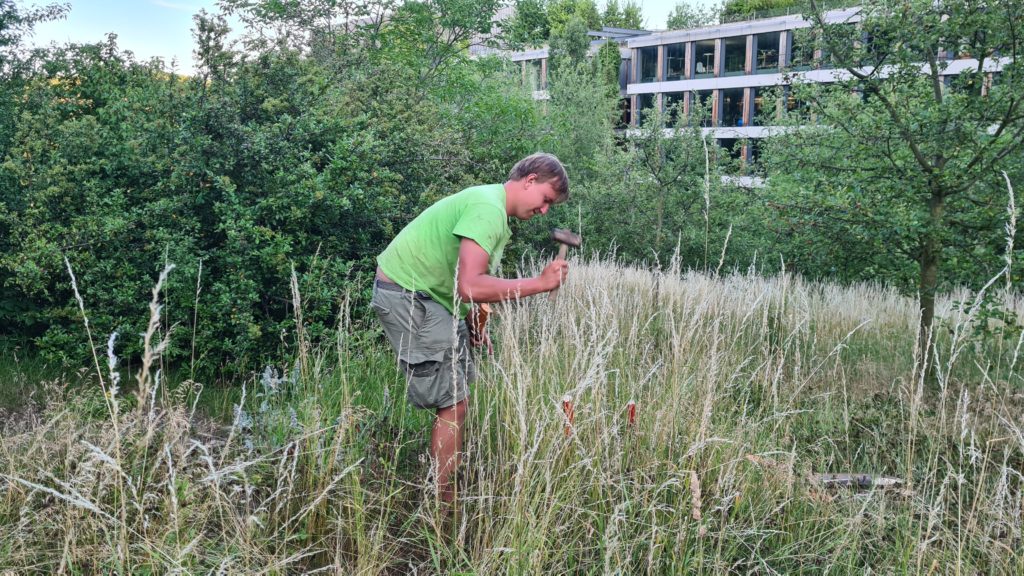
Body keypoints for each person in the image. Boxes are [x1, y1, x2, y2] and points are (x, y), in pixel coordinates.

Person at [371, 152, 570, 505]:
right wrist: (539, 283)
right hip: (409, 296)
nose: (544, 211)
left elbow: (467, 284)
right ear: (530, 180)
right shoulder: (487, 209)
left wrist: (473, 320)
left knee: (457, 397)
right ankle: (443, 502)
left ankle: (443, 490)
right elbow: (471, 285)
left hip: (430, 298)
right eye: (545, 200)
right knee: (453, 403)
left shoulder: (492, 208)